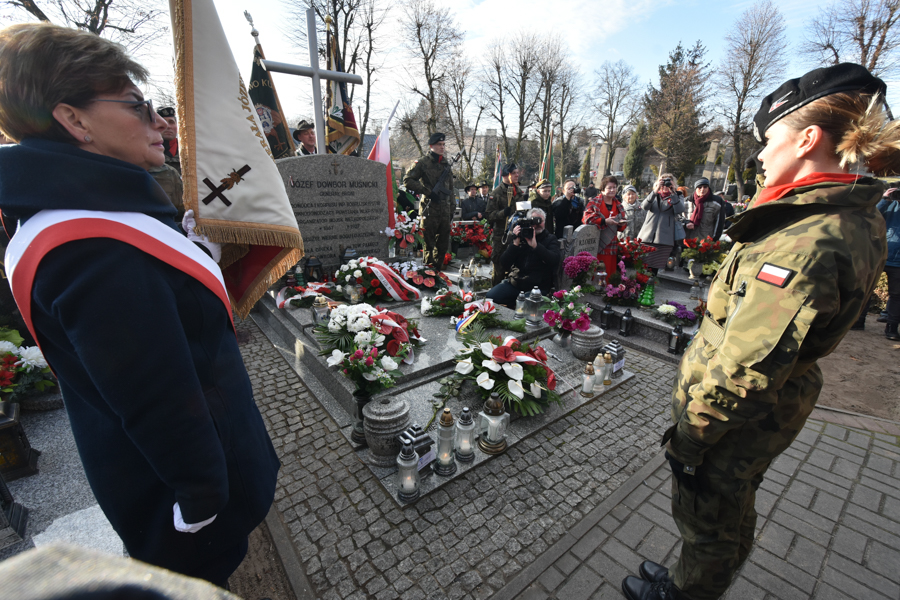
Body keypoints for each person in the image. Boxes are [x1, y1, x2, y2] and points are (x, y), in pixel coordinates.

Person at [0, 23, 280, 588]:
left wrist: (196, 252)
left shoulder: (91, 215)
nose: (160, 121)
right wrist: (202, 501)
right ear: (73, 120)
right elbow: (158, 394)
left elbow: (159, 316)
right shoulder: (90, 249)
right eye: (136, 105)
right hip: (189, 505)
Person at [622, 62, 894, 600]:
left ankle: (686, 592)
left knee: (710, 516)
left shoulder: (803, 244)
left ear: (808, 138)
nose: (762, 155)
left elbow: (745, 370)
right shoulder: (839, 215)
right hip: (763, 411)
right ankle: (687, 575)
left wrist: (689, 439)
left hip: (733, 422)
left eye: (771, 140)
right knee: (728, 508)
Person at [486, 208, 560, 307]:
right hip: (515, 283)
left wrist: (536, 246)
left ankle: (518, 306)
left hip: (537, 287)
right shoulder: (520, 238)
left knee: (524, 305)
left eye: (540, 221)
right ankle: (515, 305)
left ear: (545, 222)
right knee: (490, 297)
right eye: (534, 221)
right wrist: (514, 244)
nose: (538, 224)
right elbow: (504, 263)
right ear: (528, 222)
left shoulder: (550, 239)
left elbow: (554, 260)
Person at [403, 132, 455, 270]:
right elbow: (407, 180)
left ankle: (437, 271)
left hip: (444, 210)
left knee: (443, 244)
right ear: (431, 146)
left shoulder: (446, 164)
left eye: (443, 145)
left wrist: (452, 208)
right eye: (439, 144)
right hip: (429, 209)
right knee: (429, 244)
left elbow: (451, 188)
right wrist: (428, 192)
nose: (442, 147)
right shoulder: (422, 163)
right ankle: (428, 273)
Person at [636, 173, 686, 276]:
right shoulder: (654, 195)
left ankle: (650, 287)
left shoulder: (677, 196)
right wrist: (655, 191)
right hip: (647, 237)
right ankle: (639, 286)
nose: (665, 186)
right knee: (641, 265)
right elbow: (644, 206)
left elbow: (679, 210)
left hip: (664, 239)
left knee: (655, 268)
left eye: (668, 183)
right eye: (662, 183)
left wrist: (673, 193)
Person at [486, 162, 523, 285]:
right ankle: (495, 296)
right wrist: (503, 213)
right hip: (501, 236)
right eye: (514, 173)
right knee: (499, 267)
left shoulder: (518, 191)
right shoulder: (496, 193)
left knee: (515, 266)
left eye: (517, 173)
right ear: (506, 175)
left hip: (515, 234)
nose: (517, 175)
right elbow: (489, 215)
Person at [583, 175, 626, 276]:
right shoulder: (594, 202)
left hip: (612, 243)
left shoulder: (618, 204)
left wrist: (622, 224)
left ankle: (609, 290)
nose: (612, 190)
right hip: (597, 242)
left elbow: (621, 227)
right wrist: (604, 221)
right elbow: (586, 219)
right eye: (609, 187)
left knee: (610, 271)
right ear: (602, 189)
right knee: (597, 271)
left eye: (614, 187)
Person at [877, 187, 900, 341]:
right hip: (880, 255)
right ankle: (858, 321)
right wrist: (885, 198)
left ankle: (891, 328)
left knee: (897, 295)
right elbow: (874, 215)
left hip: (898, 261)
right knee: (865, 291)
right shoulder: (889, 204)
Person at [156, 106, 180, 174]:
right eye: (163, 122)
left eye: (171, 122)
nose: (168, 126)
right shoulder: (147, 152)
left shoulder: (188, 151)